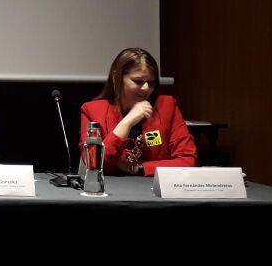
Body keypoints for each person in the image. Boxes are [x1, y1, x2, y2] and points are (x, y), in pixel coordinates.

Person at [80, 47, 197, 176]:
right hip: (112, 187)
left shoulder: (167, 107)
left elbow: (188, 160)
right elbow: (93, 164)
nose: (146, 88)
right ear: (116, 78)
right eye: (138, 81)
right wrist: (127, 122)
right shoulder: (93, 111)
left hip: (153, 186)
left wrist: (138, 168)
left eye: (151, 83)